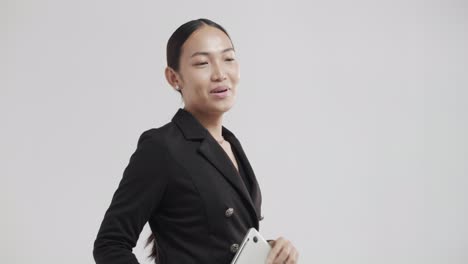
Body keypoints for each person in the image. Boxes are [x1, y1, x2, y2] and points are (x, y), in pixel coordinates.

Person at [93, 18, 299, 264]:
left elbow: (224, 239)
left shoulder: (231, 144)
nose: (220, 74)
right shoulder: (161, 147)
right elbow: (110, 244)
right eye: (202, 63)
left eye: (229, 58)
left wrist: (271, 250)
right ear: (174, 78)